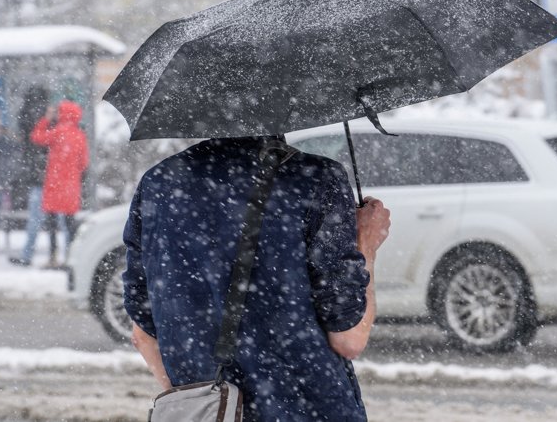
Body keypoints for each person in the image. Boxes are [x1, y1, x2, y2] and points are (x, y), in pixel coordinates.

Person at [123, 136, 391, 421]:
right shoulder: (315, 178)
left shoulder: (159, 182)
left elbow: (143, 335)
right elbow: (349, 338)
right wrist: (366, 243)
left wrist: (205, 403)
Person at [29, 100, 89, 266]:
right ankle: (71, 257)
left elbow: (36, 137)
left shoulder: (58, 132)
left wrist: (45, 120)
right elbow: (84, 163)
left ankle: (53, 257)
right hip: (71, 186)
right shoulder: (80, 135)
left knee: (52, 223)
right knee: (70, 224)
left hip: (54, 185)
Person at [9, 87, 51, 267]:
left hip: (37, 176)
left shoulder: (26, 114)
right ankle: (67, 256)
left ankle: (27, 255)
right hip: (53, 177)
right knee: (62, 221)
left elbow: (31, 139)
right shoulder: (50, 119)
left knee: (35, 218)